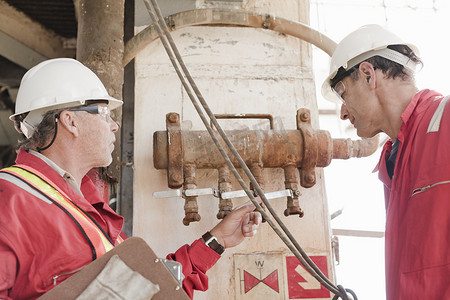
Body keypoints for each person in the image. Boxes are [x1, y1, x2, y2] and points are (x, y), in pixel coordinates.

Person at [0, 58, 262, 299]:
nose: (113, 125)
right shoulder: (9, 199)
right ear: (70, 121)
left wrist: (218, 240)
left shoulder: (83, 204)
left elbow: (145, 289)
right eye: (104, 113)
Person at [321, 24, 450, 299]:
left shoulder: (446, 119)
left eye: (342, 93)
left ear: (368, 74)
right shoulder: (393, 161)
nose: (343, 112)